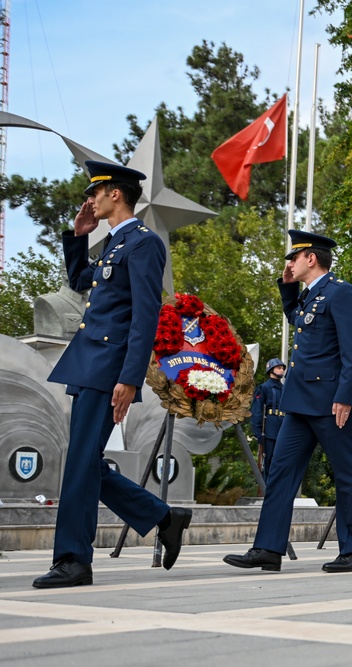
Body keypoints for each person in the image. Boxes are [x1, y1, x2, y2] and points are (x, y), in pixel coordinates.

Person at [34, 161, 192, 588]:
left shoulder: (143, 244)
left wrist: (130, 378)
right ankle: (164, 517)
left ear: (115, 194)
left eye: (95, 192)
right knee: (84, 465)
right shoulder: (115, 244)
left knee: (82, 466)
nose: (91, 200)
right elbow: (81, 279)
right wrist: (79, 237)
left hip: (108, 369)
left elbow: (146, 316)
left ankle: (73, 560)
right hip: (89, 365)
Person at [224, 230, 352, 574]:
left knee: (347, 475)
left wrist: (346, 396)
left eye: (294, 257)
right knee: (281, 475)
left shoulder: (341, 293)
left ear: (311, 258)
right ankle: (268, 549)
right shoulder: (309, 297)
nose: (289, 262)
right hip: (300, 402)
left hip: (331, 403)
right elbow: (296, 318)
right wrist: (287, 285)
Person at [250, 358, 286, 482]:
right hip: (269, 429)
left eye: (282, 368)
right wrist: (257, 431)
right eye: (279, 368)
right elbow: (257, 410)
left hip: (284, 428)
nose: (281, 370)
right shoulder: (263, 388)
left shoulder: (285, 389)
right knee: (269, 460)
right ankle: (267, 491)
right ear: (271, 369)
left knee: (282, 461)